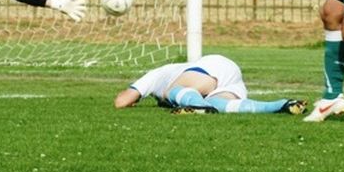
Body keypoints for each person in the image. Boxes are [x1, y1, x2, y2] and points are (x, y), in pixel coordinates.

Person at [113, 54, 306, 115]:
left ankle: (199, 107)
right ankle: (282, 105)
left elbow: (121, 102)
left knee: (171, 91)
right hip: (230, 71)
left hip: (208, 67)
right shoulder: (176, 69)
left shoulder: (157, 74)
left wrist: (131, 97)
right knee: (226, 106)